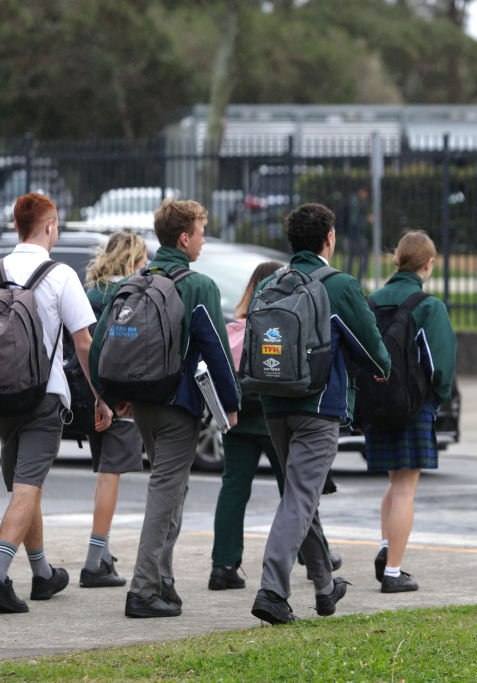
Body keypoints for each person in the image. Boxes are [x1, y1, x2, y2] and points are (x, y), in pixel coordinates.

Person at [0, 193, 114, 614]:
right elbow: (84, 343)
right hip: (43, 398)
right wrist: (100, 397)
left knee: (24, 488)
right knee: (27, 490)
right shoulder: (60, 274)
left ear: (16, 227)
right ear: (49, 226)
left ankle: (43, 574)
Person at [89, 198, 239, 618]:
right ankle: (143, 590)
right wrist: (232, 404)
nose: (204, 240)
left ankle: (165, 583)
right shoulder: (198, 285)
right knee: (164, 495)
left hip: (141, 406)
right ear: (185, 237)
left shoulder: (134, 281)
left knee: (173, 491)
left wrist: (109, 395)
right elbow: (218, 352)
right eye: (201, 231)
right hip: (179, 406)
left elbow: (101, 345)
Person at [250, 202, 390, 625]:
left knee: (299, 493)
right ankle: (273, 590)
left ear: (293, 241)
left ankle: (326, 587)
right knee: (300, 496)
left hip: (273, 403)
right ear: (329, 239)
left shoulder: (271, 283)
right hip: (318, 407)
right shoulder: (339, 285)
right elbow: (373, 350)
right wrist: (382, 369)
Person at [209, 260, 341, 591]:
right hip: (273, 415)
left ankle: (224, 563)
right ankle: (315, 560)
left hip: (238, 420)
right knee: (297, 491)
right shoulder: (288, 325)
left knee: (233, 489)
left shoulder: (237, 328)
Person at [364, 229, 456, 593]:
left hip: (377, 404)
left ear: (396, 259)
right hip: (413, 407)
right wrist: (436, 401)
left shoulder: (371, 302)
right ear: (429, 263)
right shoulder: (428, 306)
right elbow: (442, 365)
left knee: (394, 483)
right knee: (405, 489)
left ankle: (388, 549)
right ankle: (393, 572)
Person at [79, 232, 148, 588]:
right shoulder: (129, 294)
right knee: (111, 475)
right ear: (134, 261)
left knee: (103, 473)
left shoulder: (91, 292)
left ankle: (102, 554)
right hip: (116, 395)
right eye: (144, 260)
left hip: (85, 392)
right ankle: (93, 561)